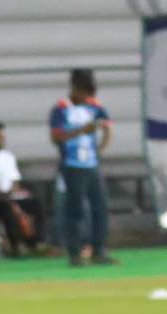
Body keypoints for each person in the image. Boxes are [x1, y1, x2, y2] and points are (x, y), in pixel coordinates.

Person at [50, 69, 115, 267]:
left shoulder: (95, 106)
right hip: (71, 165)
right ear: (74, 89)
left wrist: (100, 150)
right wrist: (79, 131)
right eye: (83, 92)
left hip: (91, 164)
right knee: (75, 210)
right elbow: (55, 137)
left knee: (100, 208)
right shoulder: (61, 108)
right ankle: (75, 253)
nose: (87, 97)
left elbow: (108, 127)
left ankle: (99, 250)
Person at [0, 122, 46, 256]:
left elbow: (15, 179)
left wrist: (12, 190)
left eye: (1, 136)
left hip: (10, 196)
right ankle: (17, 246)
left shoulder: (7, 157)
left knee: (36, 206)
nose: (1, 138)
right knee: (7, 210)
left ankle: (36, 242)